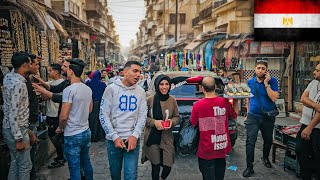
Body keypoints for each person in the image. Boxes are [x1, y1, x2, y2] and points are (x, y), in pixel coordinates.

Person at [99, 61, 147, 180]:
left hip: (132, 140)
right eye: (135, 71)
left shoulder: (140, 91)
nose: (138, 75)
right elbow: (103, 115)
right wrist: (114, 136)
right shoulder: (111, 89)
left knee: (131, 175)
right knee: (115, 174)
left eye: (140, 72)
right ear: (125, 72)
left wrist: (135, 135)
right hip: (113, 140)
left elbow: (143, 115)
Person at [190, 76, 237, 180]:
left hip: (206, 149)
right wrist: (236, 100)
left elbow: (193, 123)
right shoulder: (224, 102)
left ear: (202, 88)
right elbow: (234, 115)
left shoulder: (197, 105)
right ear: (215, 87)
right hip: (221, 147)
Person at [55, 59, 93, 180]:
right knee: (86, 162)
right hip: (85, 131)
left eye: (66, 69)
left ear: (71, 71)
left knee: (74, 167)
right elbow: (90, 109)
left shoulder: (69, 90)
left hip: (72, 134)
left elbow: (64, 116)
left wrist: (60, 128)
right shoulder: (87, 88)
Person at [243, 60, 279, 177]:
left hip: (268, 116)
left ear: (266, 70)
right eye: (258, 68)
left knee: (268, 140)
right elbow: (248, 98)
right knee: (250, 141)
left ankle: (265, 157)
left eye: (263, 68)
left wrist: (267, 83)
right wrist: (247, 114)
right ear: (255, 69)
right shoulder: (250, 82)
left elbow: (274, 98)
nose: (260, 70)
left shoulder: (273, 81)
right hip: (253, 116)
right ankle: (249, 167)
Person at [141, 75, 179, 180]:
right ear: (157, 85)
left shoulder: (172, 100)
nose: (164, 87)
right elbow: (143, 118)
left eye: (167, 84)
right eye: (161, 84)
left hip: (167, 137)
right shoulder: (149, 100)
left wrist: (171, 122)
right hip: (152, 137)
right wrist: (154, 122)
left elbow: (177, 117)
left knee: (168, 163)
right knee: (155, 165)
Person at [2, 52, 32, 179]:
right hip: (17, 130)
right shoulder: (19, 84)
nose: (32, 66)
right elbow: (13, 113)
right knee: (25, 165)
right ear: (24, 65)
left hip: (11, 128)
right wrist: (19, 139)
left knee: (15, 164)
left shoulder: (8, 77)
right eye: (30, 63)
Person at [296, 63, 320, 180]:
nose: (315, 72)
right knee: (300, 150)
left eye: (318, 70)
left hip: (317, 128)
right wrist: (315, 105)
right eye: (315, 69)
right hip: (305, 123)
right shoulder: (314, 83)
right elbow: (303, 98)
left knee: (317, 156)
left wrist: (309, 128)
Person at [43, 64, 65, 169]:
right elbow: (44, 97)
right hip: (51, 113)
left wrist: (47, 93)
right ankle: (61, 156)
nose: (49, 72)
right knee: (55, 137)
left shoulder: (62, 84)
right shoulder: (50, 84)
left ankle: (61, 158)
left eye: (50, 70)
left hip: (56, 114)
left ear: (56, 72)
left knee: (55, 138)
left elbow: (47, 96)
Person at [85, 70, 106, 142]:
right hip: (100, 103)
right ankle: (100, 136)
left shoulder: (88, 83)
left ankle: (92, 137)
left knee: (92, 120)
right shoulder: (102, 84)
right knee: (100, 119)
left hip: (91, 103)